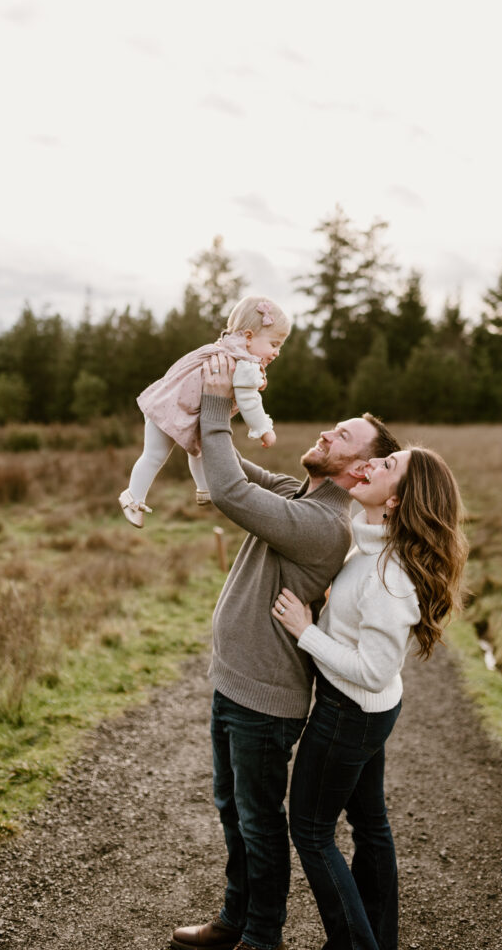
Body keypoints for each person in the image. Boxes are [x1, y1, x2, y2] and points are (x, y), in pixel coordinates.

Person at [170, 355, 402, 950]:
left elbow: (226, 490)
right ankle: (235, 918)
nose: (327, 432)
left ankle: (261, 936)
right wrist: (199, 405)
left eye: (343, 435)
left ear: (358, 467)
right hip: (233, 683)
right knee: (233, 812)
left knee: (259, 821)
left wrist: (222, 404)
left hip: (264, 702)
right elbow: (229, 468)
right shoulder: (300, 493)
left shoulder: (323, 523)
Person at [271, 445, 468, 950]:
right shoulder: (371, 544)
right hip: (364, 713)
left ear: (398, 499)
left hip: (349, 712)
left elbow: (376, 673)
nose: (370, 466)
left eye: (386, 466)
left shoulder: (390, 577)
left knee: (312, 832)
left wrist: (305, 631)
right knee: (370, 823)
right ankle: (377, 939)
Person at [119, 296, 290, 528]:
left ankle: (204, 488)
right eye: (274, 344)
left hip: (171, 405)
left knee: (197, 448)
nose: (277, 352)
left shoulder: (222, 348)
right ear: (249, 337)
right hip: (172, 410)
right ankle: (132, 498)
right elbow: (250, 400)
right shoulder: (243, 363)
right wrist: (264, 430)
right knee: (156, 455)